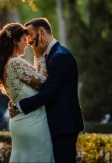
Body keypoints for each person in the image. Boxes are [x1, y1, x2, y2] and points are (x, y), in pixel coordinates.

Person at [9, 17, 84, 163]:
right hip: (53, 124)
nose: (29, 41)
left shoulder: (60, 56)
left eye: (30, 36)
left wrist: (19, 106)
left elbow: (48, 93)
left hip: (63, 125)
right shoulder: (50, 56)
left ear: (41, 32)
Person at [0, 23, 54, 163]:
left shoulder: (7, 63)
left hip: (20, 122)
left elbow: (34, 77)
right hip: (33, 123)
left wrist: (38, 57)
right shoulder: (15, 63)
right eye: (24, 40)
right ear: (15, 41)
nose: (27, 43)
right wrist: (39, 55)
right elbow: (42, 81)